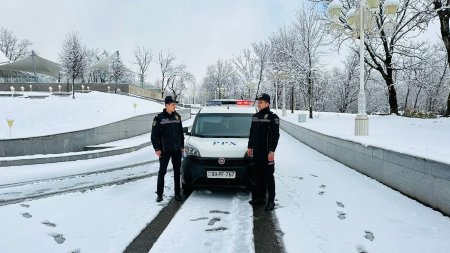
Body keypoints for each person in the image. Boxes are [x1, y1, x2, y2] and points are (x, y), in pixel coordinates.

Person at [247, 93, 280, 211]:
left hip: (266, 153)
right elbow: (251, 133)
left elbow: (275, 136)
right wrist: (249, 147)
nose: (258, 103)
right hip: (256, 152)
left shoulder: (273, 117)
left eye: (261, 102)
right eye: (258, 101)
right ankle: (260, 198)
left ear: (267, 103)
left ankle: (271, 201)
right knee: (258, 176)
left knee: (268, 177)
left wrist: (272, 151)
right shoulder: (255, 116)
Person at [151, 95, 185, 202]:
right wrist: (157, 149)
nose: (175, 106)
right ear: (167, 105)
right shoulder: (159, 118)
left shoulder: (177, 117)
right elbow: (154, 136)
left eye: (175, 104)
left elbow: (180, 133)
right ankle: (160, 194)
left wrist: (182, 146)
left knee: (177, 172)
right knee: (162, 171)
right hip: (165, 150)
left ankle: (177, 194)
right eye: (173, 104)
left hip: (176, 150)